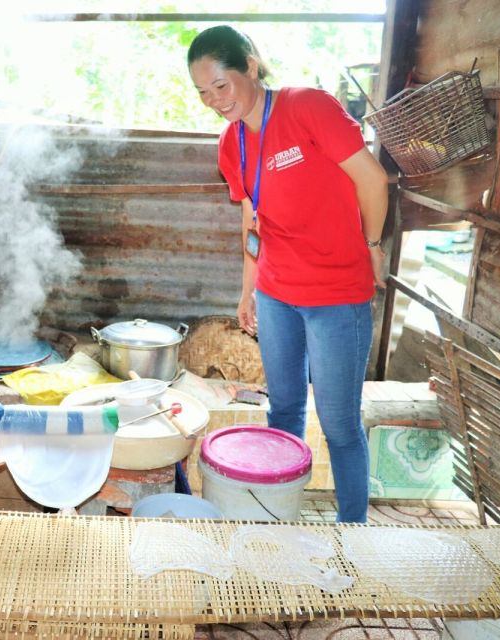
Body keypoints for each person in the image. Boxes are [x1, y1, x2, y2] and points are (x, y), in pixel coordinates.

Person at [187, 26, 389, 522]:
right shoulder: (230, 143)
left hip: (337, 295)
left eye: (222, 85)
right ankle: (281, 514)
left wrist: (373, 245)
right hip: (277, 294)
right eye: (203, 93)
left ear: (250, 66)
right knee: (283, 412)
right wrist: (248, 290)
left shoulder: (308, 107)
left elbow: (372, 177)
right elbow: (251, 222)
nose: (215, 100)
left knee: (340, 422)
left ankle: (353, 531)